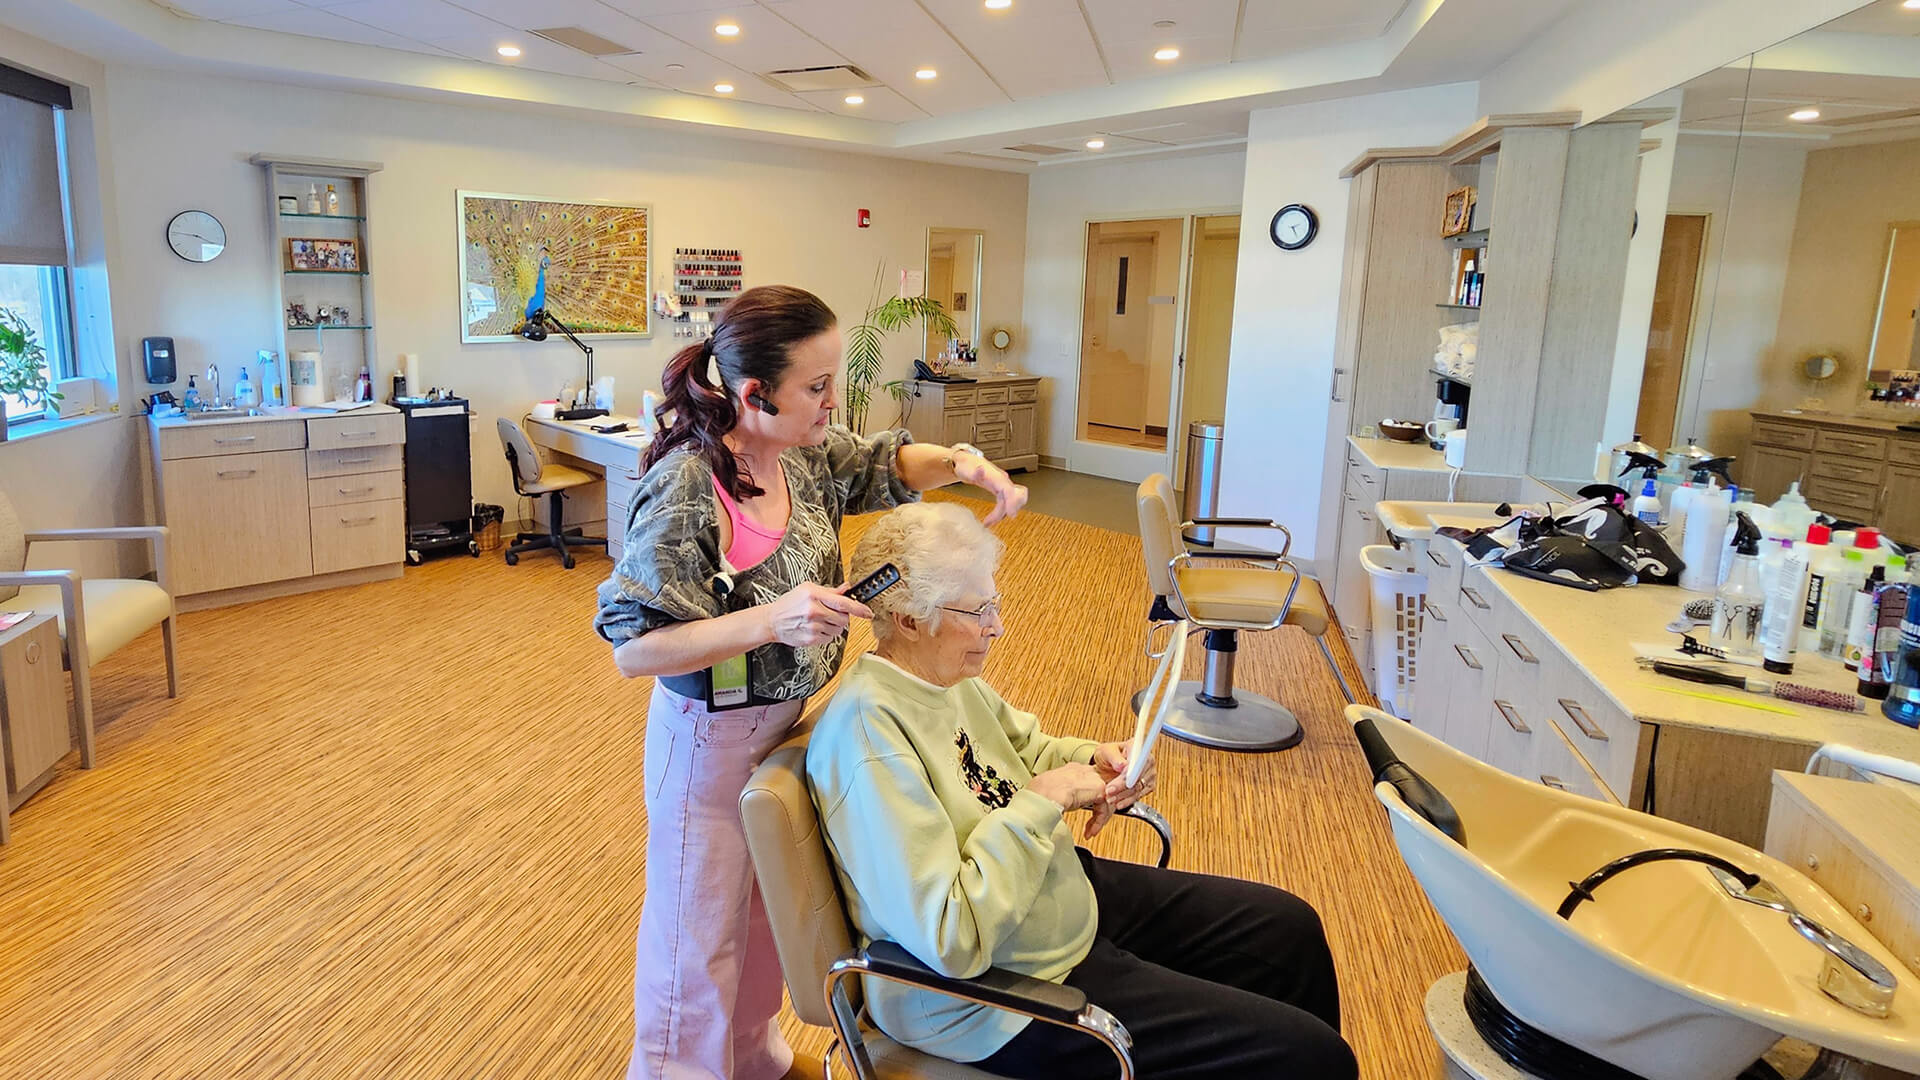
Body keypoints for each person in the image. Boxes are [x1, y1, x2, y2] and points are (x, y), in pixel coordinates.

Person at [594, 285, 1030, 1080]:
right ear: (755, 393)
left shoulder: (801, 451)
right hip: (711, 741)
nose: (834, 401)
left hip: (787, 724)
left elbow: (886, 463)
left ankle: (751, 1059)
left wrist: (965, 464)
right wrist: (772, 620)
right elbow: (635, 649)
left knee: (767, 916)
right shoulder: (690, 483)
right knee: (700, 933)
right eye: (817, 386)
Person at [806, 503, 1357, 1080]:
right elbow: (951, 936)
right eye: (977, 611)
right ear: (908, 620)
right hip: (989, 999)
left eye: (994, 603)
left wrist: (1094, 762)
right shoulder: (869, 741)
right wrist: (1045, 799)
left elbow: (1025, 749)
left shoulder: (943, 679)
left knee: (1290, 931)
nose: (996, 626)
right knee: (1314, 1058)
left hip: (1048, 901)